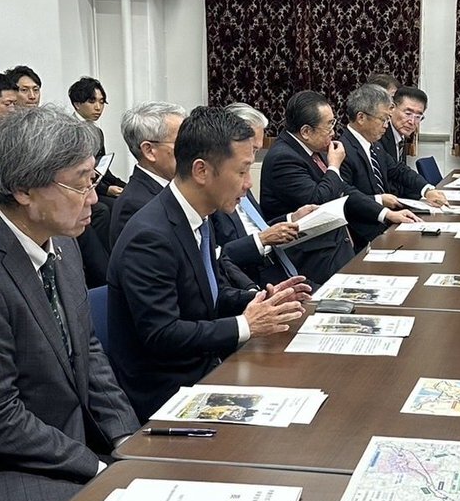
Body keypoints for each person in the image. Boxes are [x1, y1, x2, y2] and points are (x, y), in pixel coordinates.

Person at [107, 106, 309, 422]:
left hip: (206, 364)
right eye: (241, 172)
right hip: (169, 389)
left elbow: (207, 296)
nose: (248, 184)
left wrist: (259, 300)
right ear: (201, 171)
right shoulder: (150, 235)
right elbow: (163, 334)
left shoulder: (200, 216)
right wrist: (246, 324)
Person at [0, 106, 138, 501]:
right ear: (23, 189)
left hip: (70, 442)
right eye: (80, 183)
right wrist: (94, 465)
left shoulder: (62, 242)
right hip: (15, 467)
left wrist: (127, 438)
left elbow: (88, 350)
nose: (93, 198)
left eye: (92, 180)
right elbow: (4, 418)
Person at [259, 90, 360, 283]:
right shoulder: (283, 158)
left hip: (335, 245)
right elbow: (317, 201)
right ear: (306, 131)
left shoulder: (312, 148)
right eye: (329, 126)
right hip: (311, 258)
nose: (333, 132)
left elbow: (340, 189)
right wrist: (334, 166)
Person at [212, 102, 311, 288]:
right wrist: (261, 240)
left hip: (278, 265)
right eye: (253, 149)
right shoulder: (215, 188)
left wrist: (292, 218)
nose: (253, 156)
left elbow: (257, 225)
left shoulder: (242, 177)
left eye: (257, 149)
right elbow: (216, 256)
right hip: (252, 278)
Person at [339, 83, 445, 250]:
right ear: (361, 118)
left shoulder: (374, 146)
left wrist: (427, 190)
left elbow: (398, 170)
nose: (386, 125)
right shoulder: (342, 149)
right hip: (364, 234)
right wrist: (382, 205)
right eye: (383, 119)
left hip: (386, 223)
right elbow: (345, 196)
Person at [110, 101, 187, 245]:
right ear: (149, 151)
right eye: (182, 143)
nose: (191, 149)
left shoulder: (174, 187)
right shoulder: (135, 205)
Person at [67, 76, 126, 196]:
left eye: (102, 102)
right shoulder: (68, 131)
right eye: (92, 101)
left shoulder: (97, 131)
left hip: (96, 186)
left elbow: (101, 167)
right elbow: (74, 172)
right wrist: (106, 189)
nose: (98, 107)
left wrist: (122, 184)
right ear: (77, 104)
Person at [378, 84, 428, 166]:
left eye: (418, 117)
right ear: (392, 108)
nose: (412, 122)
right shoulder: (379, 136)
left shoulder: (401, 137)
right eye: (408, 114)